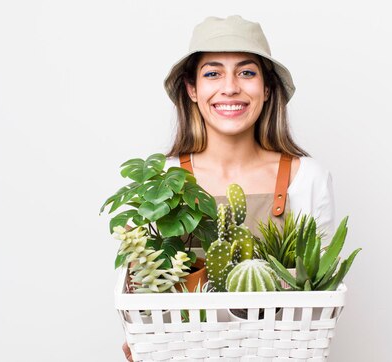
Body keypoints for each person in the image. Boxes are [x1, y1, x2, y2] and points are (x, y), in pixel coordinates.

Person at [122, 15, 337, 361]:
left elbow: (323, 298)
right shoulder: (163, 178)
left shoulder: (307, 178)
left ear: (267, 89)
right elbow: (141, 288)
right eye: (212, 73)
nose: (230, 88)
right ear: (192, 89)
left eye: (247, 72)